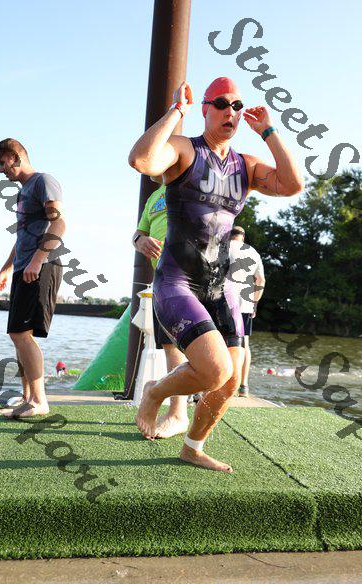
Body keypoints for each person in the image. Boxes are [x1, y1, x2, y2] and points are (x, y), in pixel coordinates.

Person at [129, 76, 303, 472]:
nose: (231, 111)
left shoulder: (246, 165)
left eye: (237, 106)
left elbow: (293, 185)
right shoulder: (184, 149)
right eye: (221, 104)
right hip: (177, 282)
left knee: (230, 377)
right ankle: (155, 391)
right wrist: (176, 111)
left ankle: (193, 447)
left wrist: (269, 132)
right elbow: (141, 161)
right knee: (215, 369)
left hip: (219, 286)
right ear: (206, 109)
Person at [0, 138, 66, 418]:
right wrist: (6, 267)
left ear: (16, 157)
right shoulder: (22, 193)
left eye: (3, 163)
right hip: (24, 267)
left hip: (42, 265)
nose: (1, 170)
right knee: (17, 334)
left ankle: (38, 401)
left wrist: (37, 260)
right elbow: (22, 236)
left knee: (20, 333)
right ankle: (27, 398)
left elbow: (59, 222)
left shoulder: (42, 181)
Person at [132, 177, 189, 438]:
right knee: (170, 345)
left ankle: (159, 393)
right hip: (163, 279)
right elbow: (138, 233)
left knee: (205, 354)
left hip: (192, 275)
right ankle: (176, 412)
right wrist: (139, 241)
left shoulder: (192, 180)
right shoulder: (154, 197)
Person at [226, 225, 265, 397]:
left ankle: (222, 383)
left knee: (222, 341)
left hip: (224, 302)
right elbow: (260, 280)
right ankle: (243, 386)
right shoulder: (253, 252)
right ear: (243, 237)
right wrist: (254, 303)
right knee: (244, 344)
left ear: (230, 235)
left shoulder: (223, 247)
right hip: (245, 303)